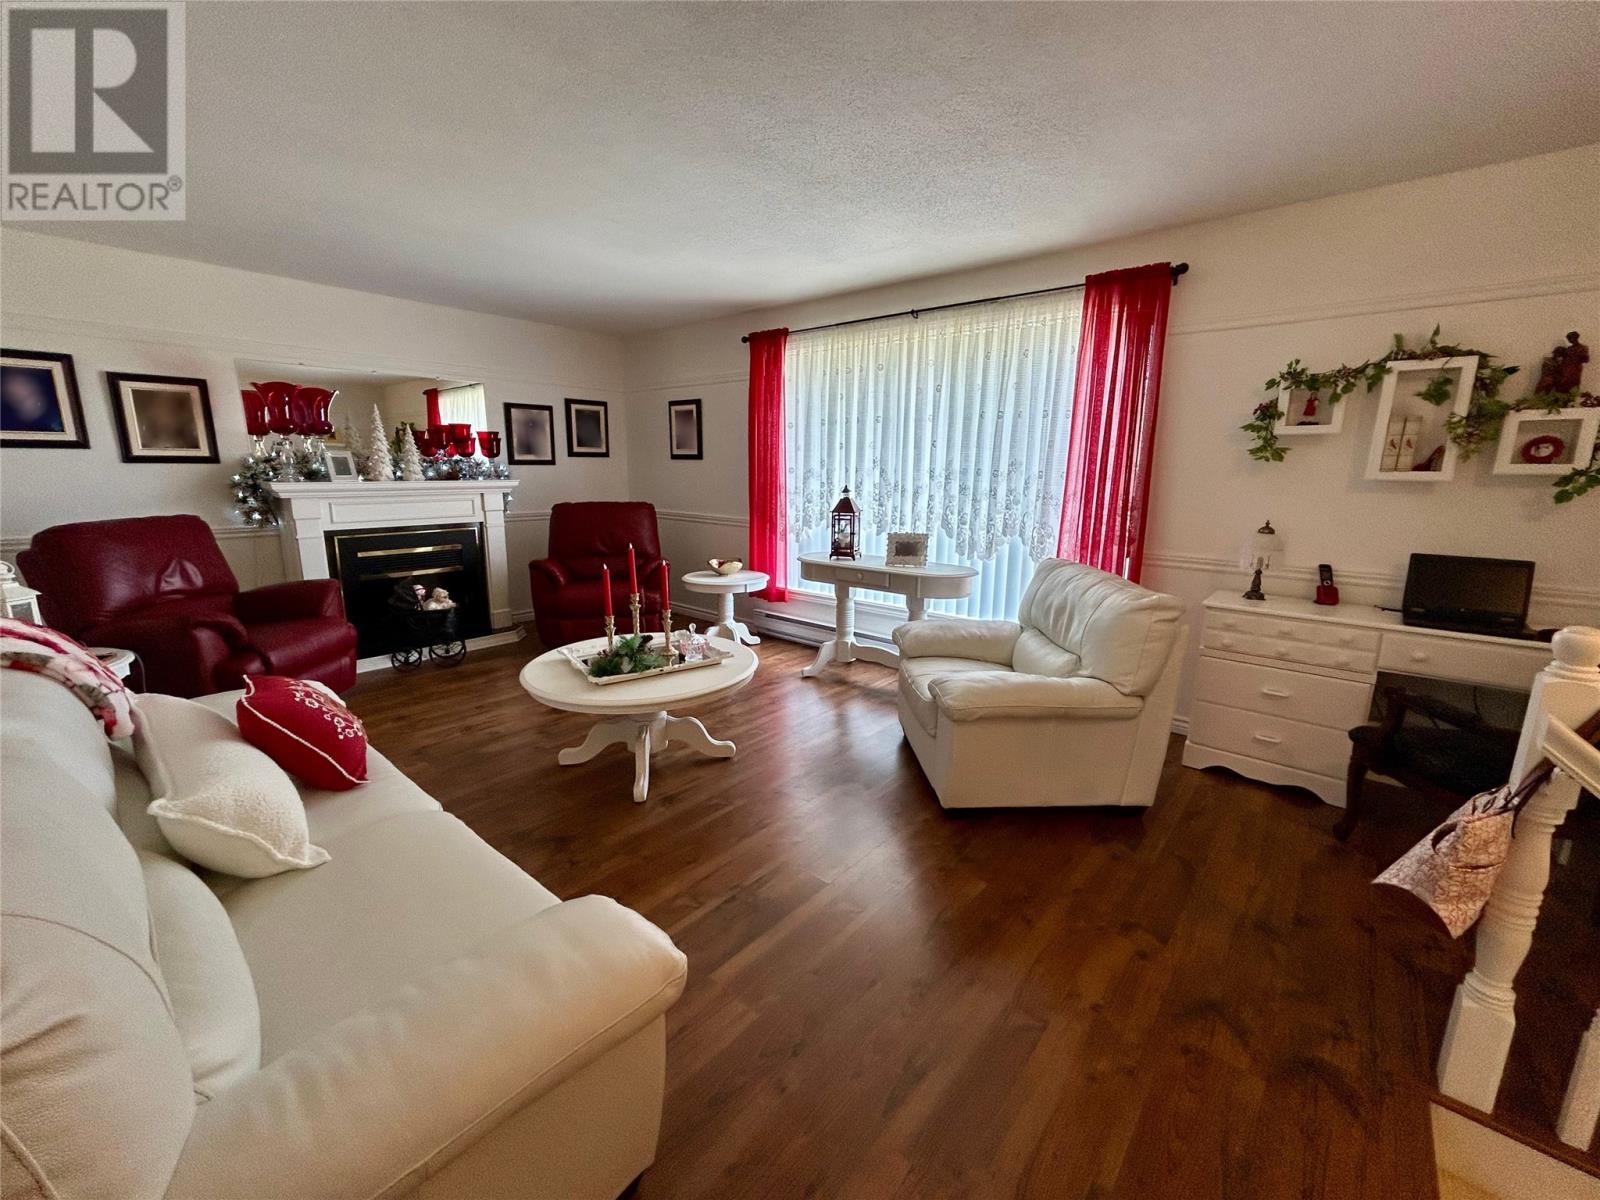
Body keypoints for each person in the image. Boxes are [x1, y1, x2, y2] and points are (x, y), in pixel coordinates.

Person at [0, 368, 64, 433]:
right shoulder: (19, 428)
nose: (23, 390)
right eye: (14, 392)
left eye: (24, 383)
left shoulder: (57, 396)